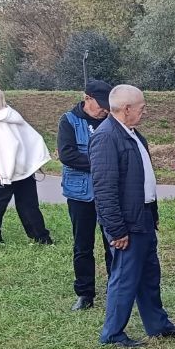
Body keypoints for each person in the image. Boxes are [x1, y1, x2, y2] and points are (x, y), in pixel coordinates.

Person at [90, 84, 175, 348]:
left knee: (149, 274)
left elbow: (143, 178)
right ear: (126, 109)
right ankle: (112, 334)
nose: (144, 111)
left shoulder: (132, 134)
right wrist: (116, 230)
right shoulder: (106, 137)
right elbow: (104, 188)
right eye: (141, 107)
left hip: (143, 216)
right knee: (124, 277)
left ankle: (158, 324)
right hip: (126, 223)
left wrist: (153, 213)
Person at [59, 80, 114, 311]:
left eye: (106, 106)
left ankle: (116, 287)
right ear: (87, 98)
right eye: (100, 104)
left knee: (113, 242)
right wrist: (100, 163)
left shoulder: (111, 120)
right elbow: (67, 155)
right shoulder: (69, 121)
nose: (103, 110)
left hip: (108, 191)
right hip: (80, 194)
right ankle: (85, 293)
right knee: (83, 245)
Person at [0, 84, 53, 245]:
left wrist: (3, 172)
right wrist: (32, 161)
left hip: (10, 171)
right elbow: (32, 138)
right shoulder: (12, 115)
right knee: (28, 205)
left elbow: (6, 148)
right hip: (24, 169)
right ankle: (42, 238)